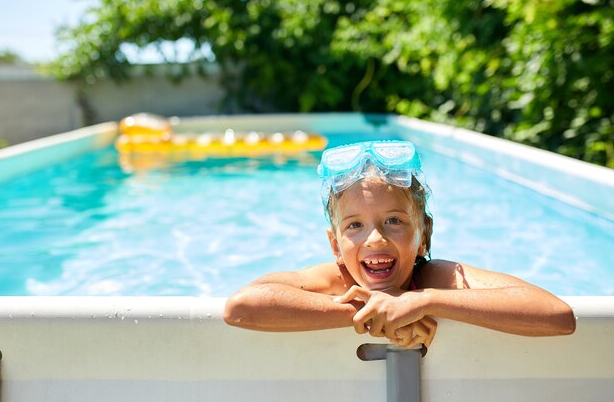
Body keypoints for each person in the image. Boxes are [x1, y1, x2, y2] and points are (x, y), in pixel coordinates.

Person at [224, 140, 576, 348]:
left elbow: (557, 316)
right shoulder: (336, 281)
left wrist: (424, 300)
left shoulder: (438, 279)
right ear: (335, 245)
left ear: (424, 235)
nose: (375, 238)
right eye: (355, 225)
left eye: (394, 221)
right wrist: (374, 313)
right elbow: (242, 306)